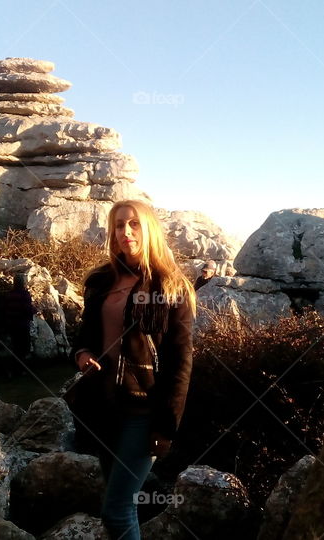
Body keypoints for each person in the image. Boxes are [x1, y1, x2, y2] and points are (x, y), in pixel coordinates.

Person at [71, 199, 195, 540]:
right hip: (102, 407)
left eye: (134, 224)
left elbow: (180, 362)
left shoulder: (170, 287)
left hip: (143, 411)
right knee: (119, 503)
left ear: (149, 228)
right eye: (118, 225)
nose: (125, 232)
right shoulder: (100, 280)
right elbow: (84, 336)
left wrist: (168, 426)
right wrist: (82, 355)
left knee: (117, 509)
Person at [3, 273, 35, 374]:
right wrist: (34, 311)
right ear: (23, 283)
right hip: (22, 324)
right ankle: (20, 369)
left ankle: (13, 369)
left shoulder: (9, 294)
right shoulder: (25, 294)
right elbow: (27, 309)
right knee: (24, 347)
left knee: (16, 347)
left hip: (12, 324)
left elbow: (5, 309)